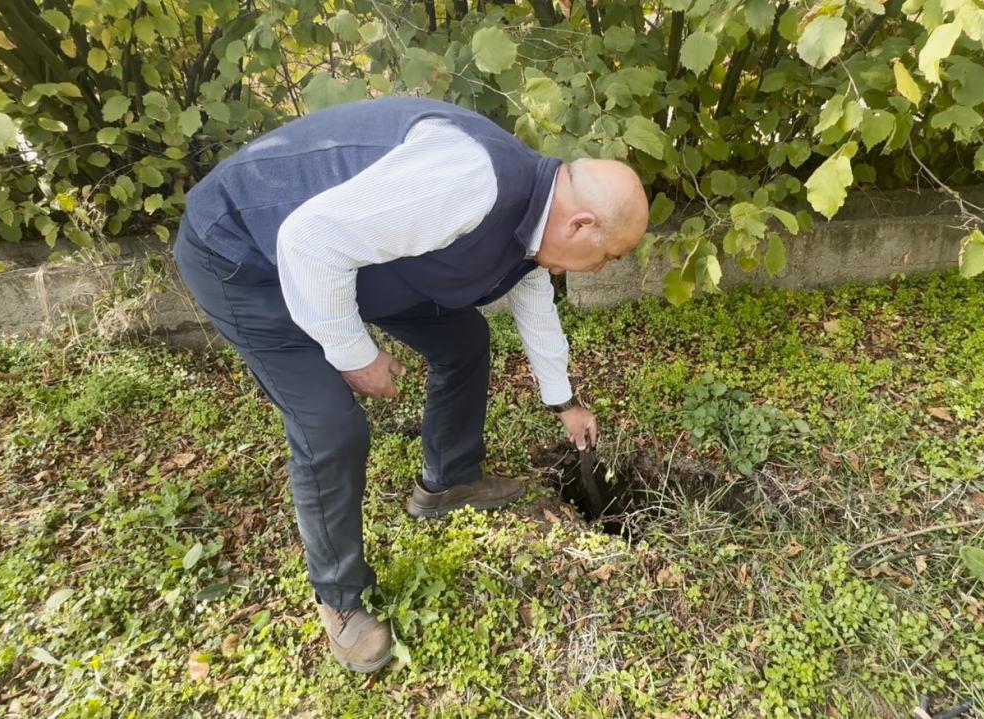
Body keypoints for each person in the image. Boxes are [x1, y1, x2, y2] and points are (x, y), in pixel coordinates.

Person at [172, 96, 649, 673]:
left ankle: (448, 481)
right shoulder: (469, 181)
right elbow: (308, 239)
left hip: (349, 264)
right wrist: (355, 355)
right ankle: (340, 599)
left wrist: (564, 402)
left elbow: (532, 299)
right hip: (246, 254)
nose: (600, 269)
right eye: (607, 256)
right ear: (581, 225)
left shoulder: (533, 218)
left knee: (463, 339)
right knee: (330, 428)